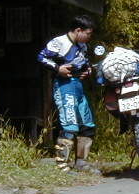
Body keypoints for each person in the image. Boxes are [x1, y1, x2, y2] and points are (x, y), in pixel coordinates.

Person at [37, 15, 96, 172]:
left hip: (78, 87)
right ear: (78, 30)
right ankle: (62, 164)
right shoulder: (59, 42)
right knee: (70, 125)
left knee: (87, 124)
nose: (89, 37)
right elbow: (41, 57)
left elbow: (85, 62)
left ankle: (82, 162)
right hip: (64, 86)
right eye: (88, 34)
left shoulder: (83, 46)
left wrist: (87, 70)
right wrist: (58, 69)